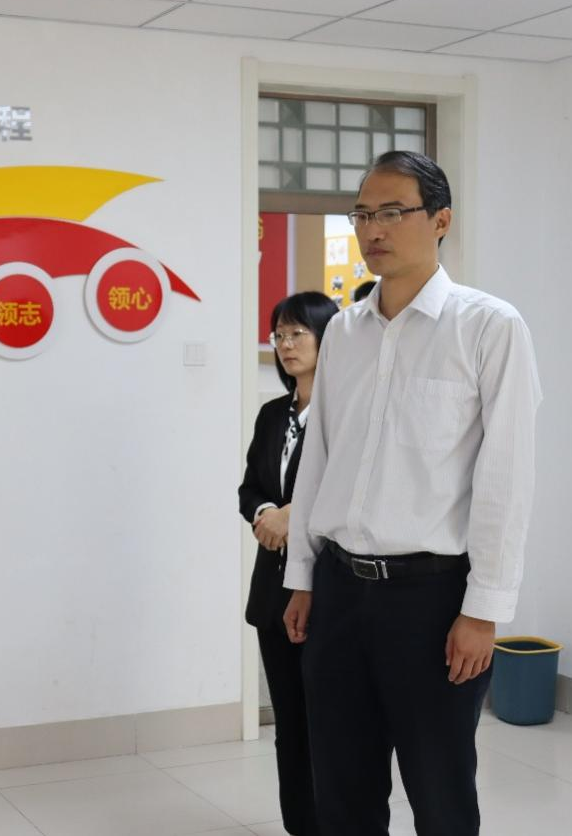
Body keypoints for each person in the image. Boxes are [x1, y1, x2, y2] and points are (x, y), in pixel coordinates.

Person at [282, 152, 541, 835]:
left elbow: (506, 478)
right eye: (362, 213)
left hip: (431, 601)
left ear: (441, 220)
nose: (373, 229)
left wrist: (483, 610)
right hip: (339, 593)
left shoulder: (488, 327)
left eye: (392, 212)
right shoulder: (343, 332)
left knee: (440, 793)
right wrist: (302, 576)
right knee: (342, 793)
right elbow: (318, 460)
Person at [239, 291, 338, 836]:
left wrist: (290, 516)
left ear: (328, 337)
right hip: (272, 591)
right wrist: (265, 514)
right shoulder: (272, 414)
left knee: (330, 722)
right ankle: (300, 825)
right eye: (279, 335)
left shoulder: (345, 412)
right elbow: (249, 488)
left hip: (328, 590)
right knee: (290, 725)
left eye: (299, 333)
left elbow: (345, 487)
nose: (286, 344)